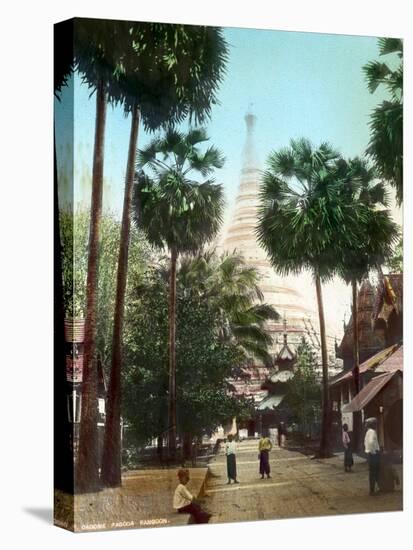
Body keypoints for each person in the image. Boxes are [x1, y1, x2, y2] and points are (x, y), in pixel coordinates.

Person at [364, 418, 381, 496]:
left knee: (372, 472)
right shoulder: (372, 432)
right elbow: (371, 443)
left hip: (370, 454)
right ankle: (373, 490)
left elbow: (365, 443)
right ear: (372, 424)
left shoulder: (368, 432)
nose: (376, 425)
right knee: (375, 471)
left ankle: (373, 489)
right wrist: (374, 451)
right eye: (375, 424)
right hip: (373, 454)